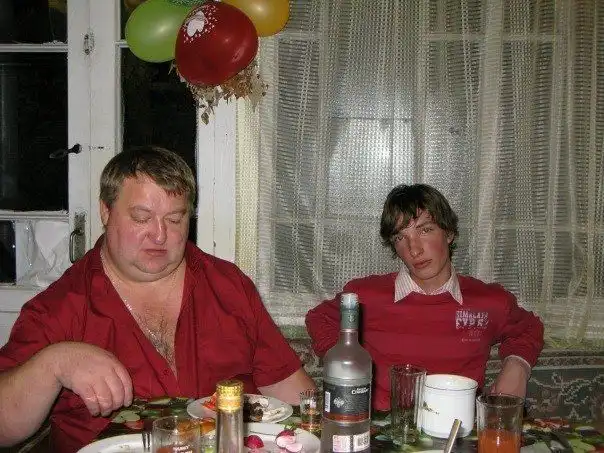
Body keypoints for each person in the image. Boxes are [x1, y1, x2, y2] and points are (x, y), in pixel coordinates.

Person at [0, 146, 315, 452]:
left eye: (175, 219)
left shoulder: (228, 286)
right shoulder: (59, 307)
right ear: (106, 211)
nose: (160, 235)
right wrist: (53, 363)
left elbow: (294, 394)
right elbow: (4, 430)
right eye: (141, 218)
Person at [306, 183, 544, 411]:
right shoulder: (366, 296)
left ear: (448, 233)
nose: (414, 249)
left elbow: (529, 328)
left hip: (456, 428)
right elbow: (319, 319)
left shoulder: (489, 301)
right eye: (400, 237)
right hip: (383, 426)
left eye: (425, 230)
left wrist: (517, 368)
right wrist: (347, 366)